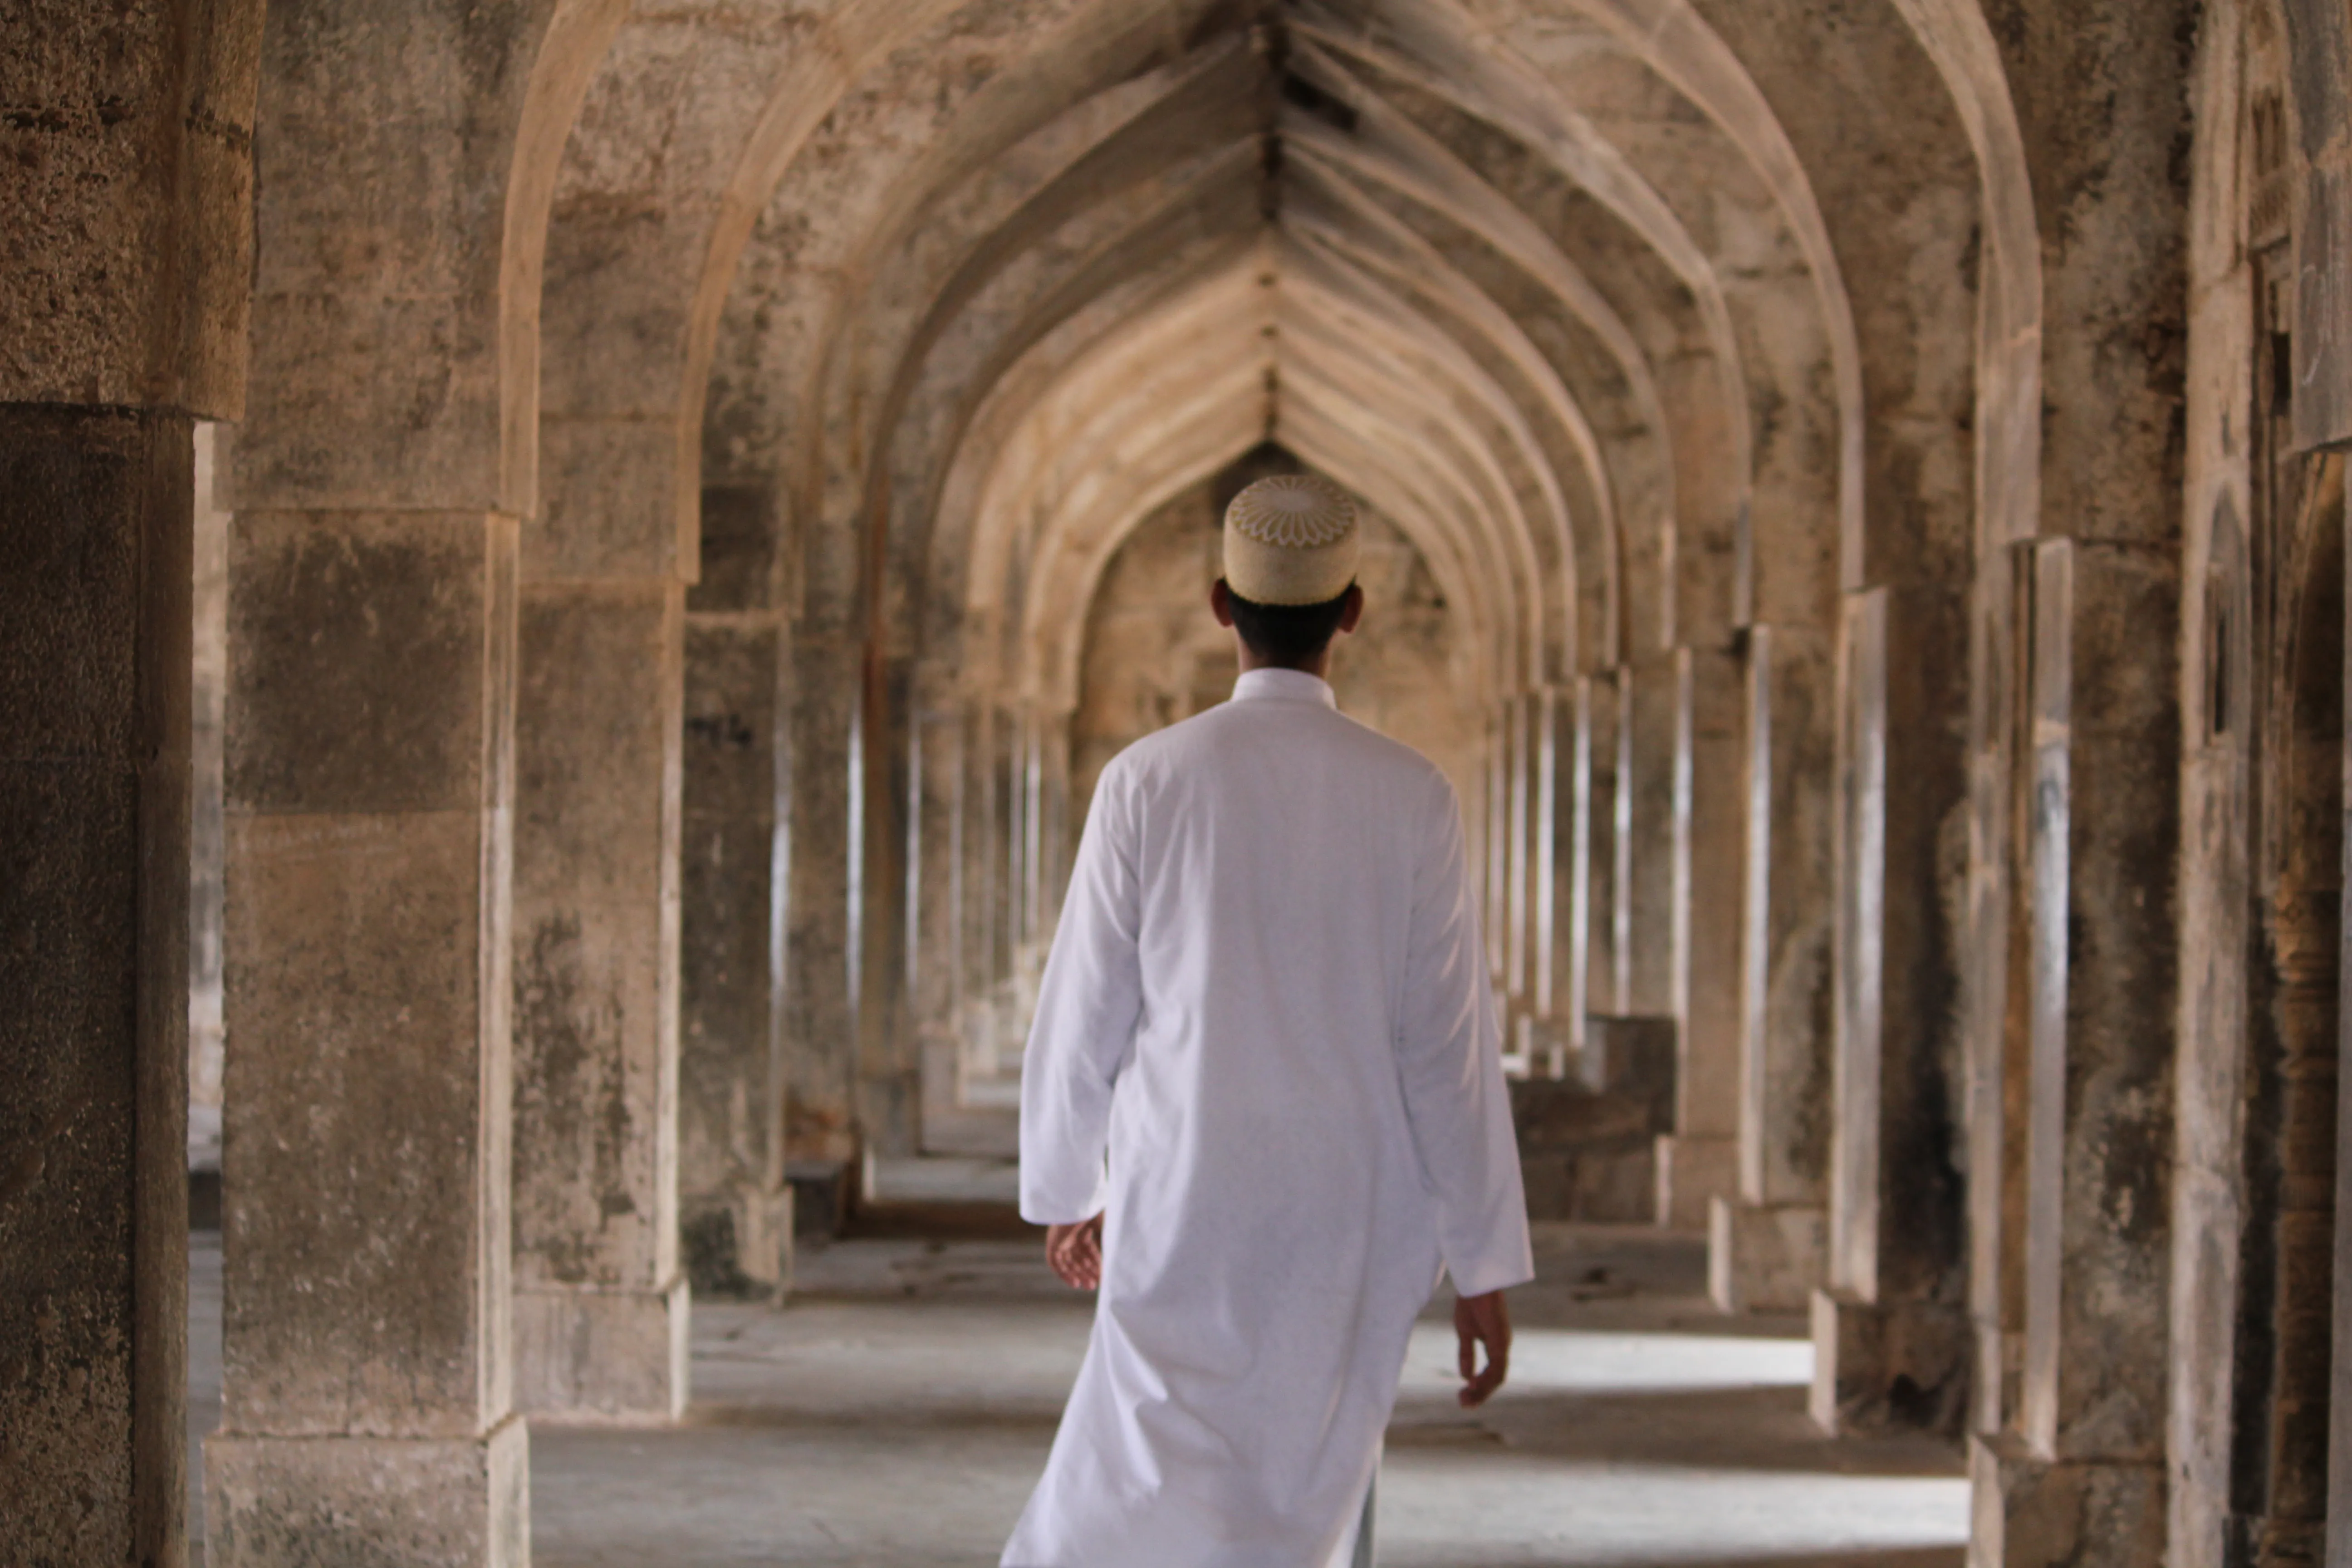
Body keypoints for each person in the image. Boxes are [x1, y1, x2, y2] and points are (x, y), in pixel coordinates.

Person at [1000, 472, 1533, 1568]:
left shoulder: (1147, 781)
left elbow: (1089, 1001)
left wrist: (1070, 1185)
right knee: (1313, 1473)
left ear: (1218, 606)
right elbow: (1446, 1047)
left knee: (1141, 1476)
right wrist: (1482, 1261)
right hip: (1352, 1205)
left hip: (1183, 1190)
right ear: (1353, 612)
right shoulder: (1413, 793)